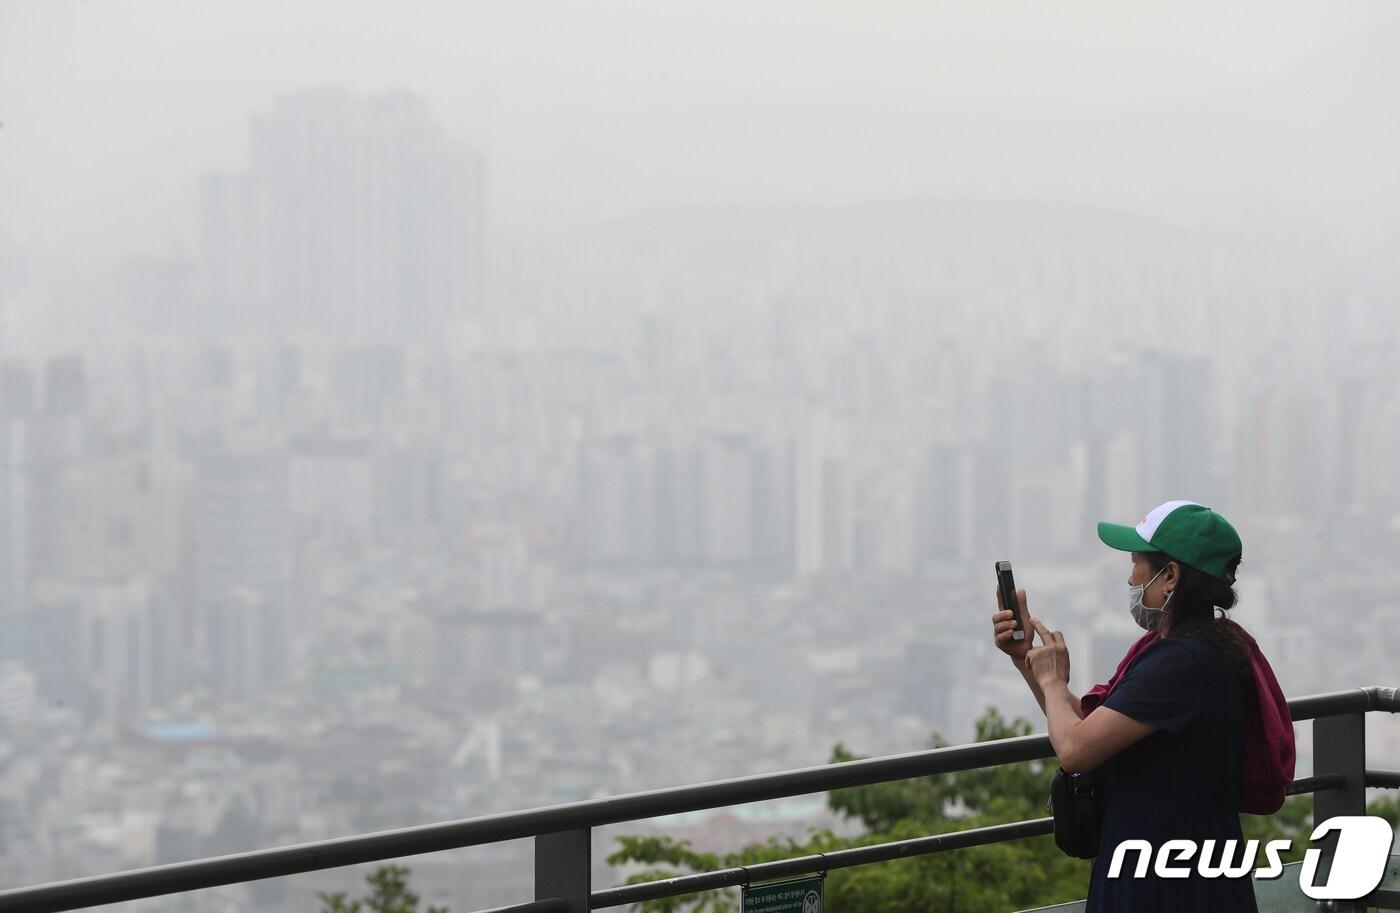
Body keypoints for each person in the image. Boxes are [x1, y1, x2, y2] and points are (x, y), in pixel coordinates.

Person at [991, 500, 1275, 913]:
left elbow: (1074, 750)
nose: (1130, 578)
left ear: (1171, 576)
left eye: (1137, 565)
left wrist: (1052, 680)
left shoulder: (1182, 663)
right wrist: (1027, 658)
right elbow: (1092, 727)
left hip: (1163, 881)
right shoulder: (1203, 648)